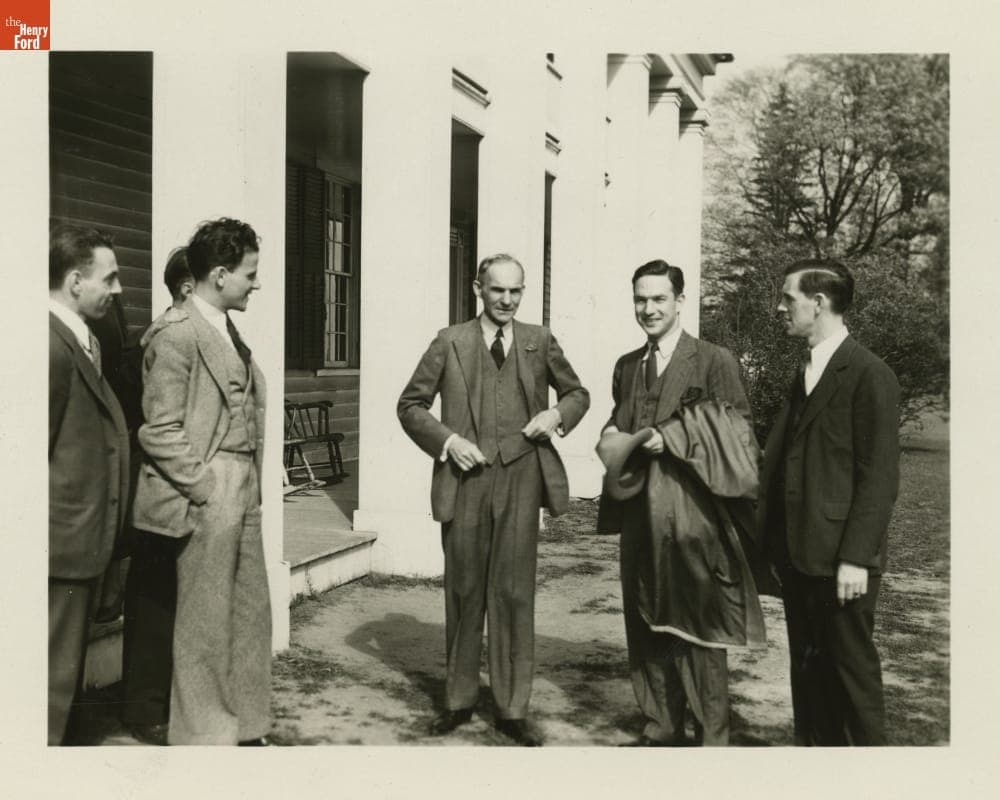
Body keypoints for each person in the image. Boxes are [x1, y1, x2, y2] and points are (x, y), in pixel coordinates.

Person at [398, 253, 589, 746]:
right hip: (465, 481)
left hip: (522, 477)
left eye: (515, 290)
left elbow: (577, 394)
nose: (507, 299)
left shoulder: (538, 340)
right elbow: (411, 405)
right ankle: (459, 701)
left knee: (514, 592)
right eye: (498, 289)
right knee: (464, 591)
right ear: (477, 288)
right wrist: (448, 441)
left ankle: (512, 708)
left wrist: (556, 416)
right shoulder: (450, 341)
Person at [597, 260, 765, 747]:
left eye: (659, 299)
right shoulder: (628, 365)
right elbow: (621, 416)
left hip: (695, 516)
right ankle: (661, 727)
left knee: (698, 625)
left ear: (680, 301)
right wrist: (611, 433)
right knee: (644, 618)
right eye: (640, 299)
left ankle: (712, 737)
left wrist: (672, 437)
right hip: (639, 513)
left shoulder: (713, 360)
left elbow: (740, 433)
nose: (648, 309)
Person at [131, 219, 271, 745]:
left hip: (244, 485)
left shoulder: (224, 327)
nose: (256, 283)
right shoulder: (177, 333)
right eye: (249, 274)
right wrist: (204, 487)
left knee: (250, 612)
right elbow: (159, 429)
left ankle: (247, 725)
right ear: (219, 275)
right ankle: (205, 738)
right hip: (210, 487)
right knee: (205, 621)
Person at [758, 259, 900, 746]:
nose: (779, 308)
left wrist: (856, 558)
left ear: (818, 303)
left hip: (842, 562)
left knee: (851, 678)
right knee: (809, 674)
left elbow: (879, 477)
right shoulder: (806, 371)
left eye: (788, 298)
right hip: (800, 556)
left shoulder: (870, 374)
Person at [48, 225, 130, 745]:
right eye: (110, 278)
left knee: (64, 675)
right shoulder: (49, 345)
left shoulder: (81, 337)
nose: (118, 290)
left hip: (82, 542)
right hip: (60, 545)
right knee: (50, 681)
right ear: (76, 281)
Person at [120, 248, 194, 745]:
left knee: (171, 596)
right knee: (154, 597)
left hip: (177, 486)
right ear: (188, 288)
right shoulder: (164, 338)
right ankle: (144, 706)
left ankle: (163, 700)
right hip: (159, 488)